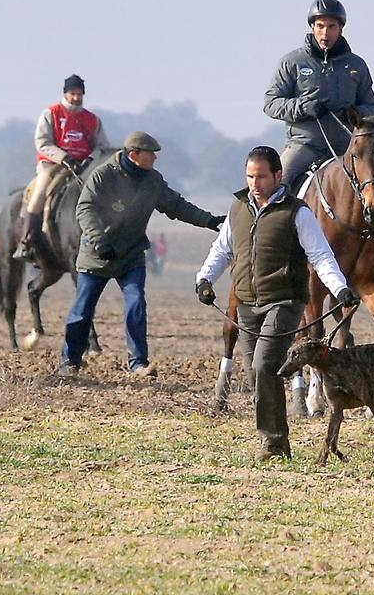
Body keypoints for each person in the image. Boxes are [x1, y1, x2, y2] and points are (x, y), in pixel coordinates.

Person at [195, 145, 358, 458]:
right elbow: (222, 250)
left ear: (278, 176)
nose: (254, 183)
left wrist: (340, 289)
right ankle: (278, 443)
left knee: (265, 363)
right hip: (246, 303)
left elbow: (320, 255)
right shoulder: (237, 209)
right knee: (256, 372)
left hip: (284, 301)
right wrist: (203, 280)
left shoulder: (297, 213)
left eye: (261, 177)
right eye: (250, 176)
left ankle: (271, 442)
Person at [58, 132, 224, 377]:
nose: (155, 157)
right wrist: (99, 241)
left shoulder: (152, 181)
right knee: (82, 310)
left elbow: (176, 206)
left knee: (136, 304)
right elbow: (85, 208)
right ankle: (69, 361)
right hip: (97, 255)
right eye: (151, 153)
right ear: (134, 155)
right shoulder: (104, 175)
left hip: (131, 255)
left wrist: (209, 221)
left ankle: (138, 363)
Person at [263, 0, 374, 198]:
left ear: (341, 29)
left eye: (331, 26)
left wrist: (354, 114)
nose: (325, 32)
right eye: (320, 26)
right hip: (305, 145)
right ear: (312, 27)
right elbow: (271, 103)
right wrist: (304, 107)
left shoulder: (357, 65)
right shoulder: (292, 62)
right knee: (274, 186)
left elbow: (370, 105)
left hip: (348, 147)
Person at [15, 74, 108, 260]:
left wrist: (90, 159)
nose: (76, 97)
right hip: (52, 166)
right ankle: (26, 243)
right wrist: (64, 157)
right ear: (65, 93)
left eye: (80, 94)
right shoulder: (51, 114)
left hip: (83, 167)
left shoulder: (92, 120)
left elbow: (102, 145)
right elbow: (42, 142)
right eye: (73, 93)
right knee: (38, 195)